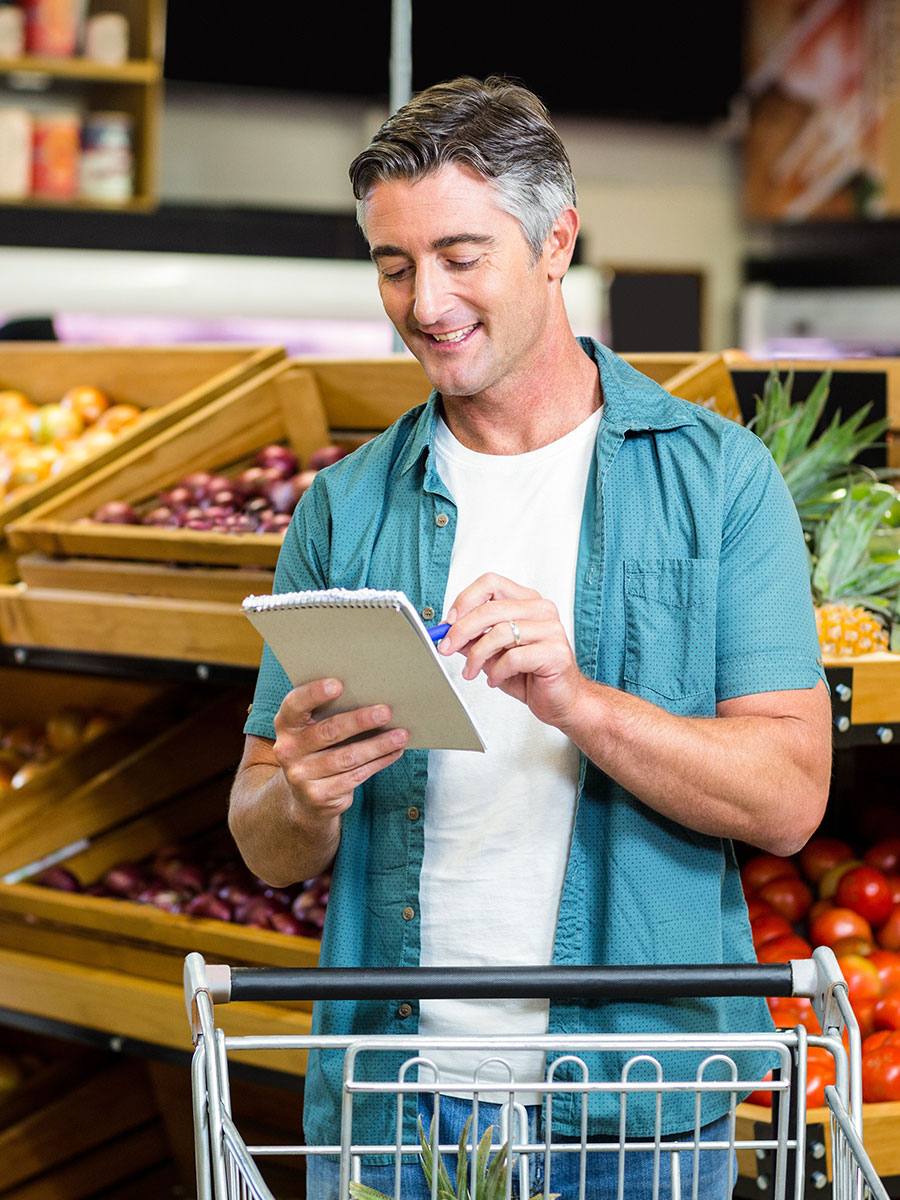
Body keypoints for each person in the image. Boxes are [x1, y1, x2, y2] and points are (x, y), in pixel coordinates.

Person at [229, 76, 833, 1198]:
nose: (425, 301)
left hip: (639, 1101)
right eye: (393, 264)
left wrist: (577, 701)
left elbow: (790, 799)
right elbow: (265, 839)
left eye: (462, 255)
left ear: (556, 242)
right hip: (392, 1095)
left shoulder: (718, 481)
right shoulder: (345, 506)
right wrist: (300, 796)